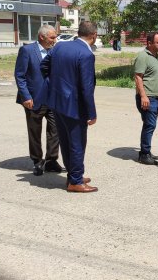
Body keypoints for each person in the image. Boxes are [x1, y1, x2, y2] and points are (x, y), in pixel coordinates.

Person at [41, 21, 98, 193]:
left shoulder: (59, 47)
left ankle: (74, 175)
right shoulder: (86, 55)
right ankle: (75, 181)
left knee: (66, 142)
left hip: (57, 103)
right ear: (94, 36)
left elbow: (43, 66)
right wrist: (92, 112)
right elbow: (86, 87)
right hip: (75, 106)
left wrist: (56, 86)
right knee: (77, 143)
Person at [14, 25, 62, 176]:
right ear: (42, 37)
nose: (55, 40)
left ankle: (51, 160)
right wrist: (26, 96)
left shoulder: (55, 50)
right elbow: (20, 75)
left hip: (53, 99)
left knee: (55, 130)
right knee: (34, 131)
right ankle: (37, 161)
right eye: (52, 37)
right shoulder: (27, 51)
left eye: (55, 37)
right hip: (33, 99)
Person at [134, 32, 158, 165]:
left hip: (156, 97)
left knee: (149, 125)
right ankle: (144, 154)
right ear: (149, 43)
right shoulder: (143, 56)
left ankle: (146, 151)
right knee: (150, 125)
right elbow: (138, 77)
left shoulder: (156, 56)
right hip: (147, 98)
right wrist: (143, 96)